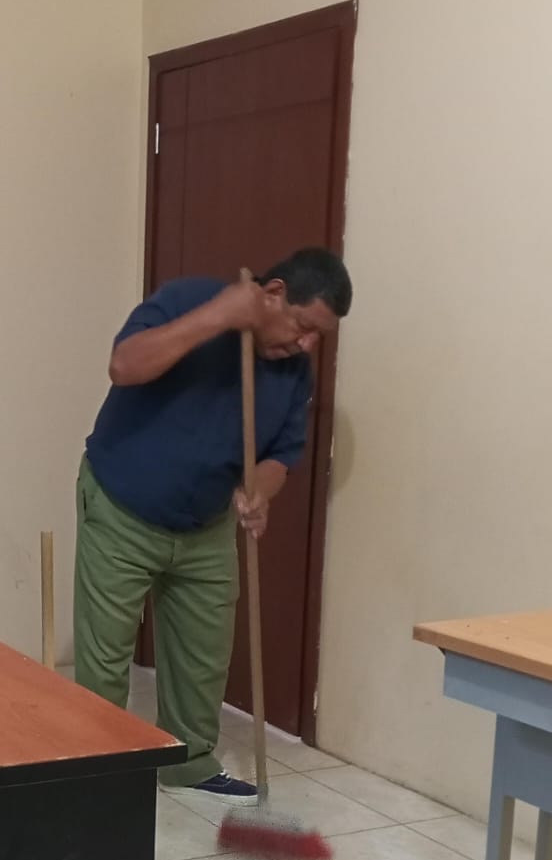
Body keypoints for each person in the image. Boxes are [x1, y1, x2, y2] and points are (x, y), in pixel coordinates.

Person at [74, 248, 353, 797]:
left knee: (202, 655)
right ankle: (100, 777)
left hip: (205, 523)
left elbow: (281, 455)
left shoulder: (294, 373)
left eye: (318, 336)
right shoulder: (190, 300)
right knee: (105, 657)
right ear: (273, 294)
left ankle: (188, 762)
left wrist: (260, 491)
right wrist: (219, 317)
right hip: (122, 507)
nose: (306, 344)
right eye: (303, 327)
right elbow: (124, 366)